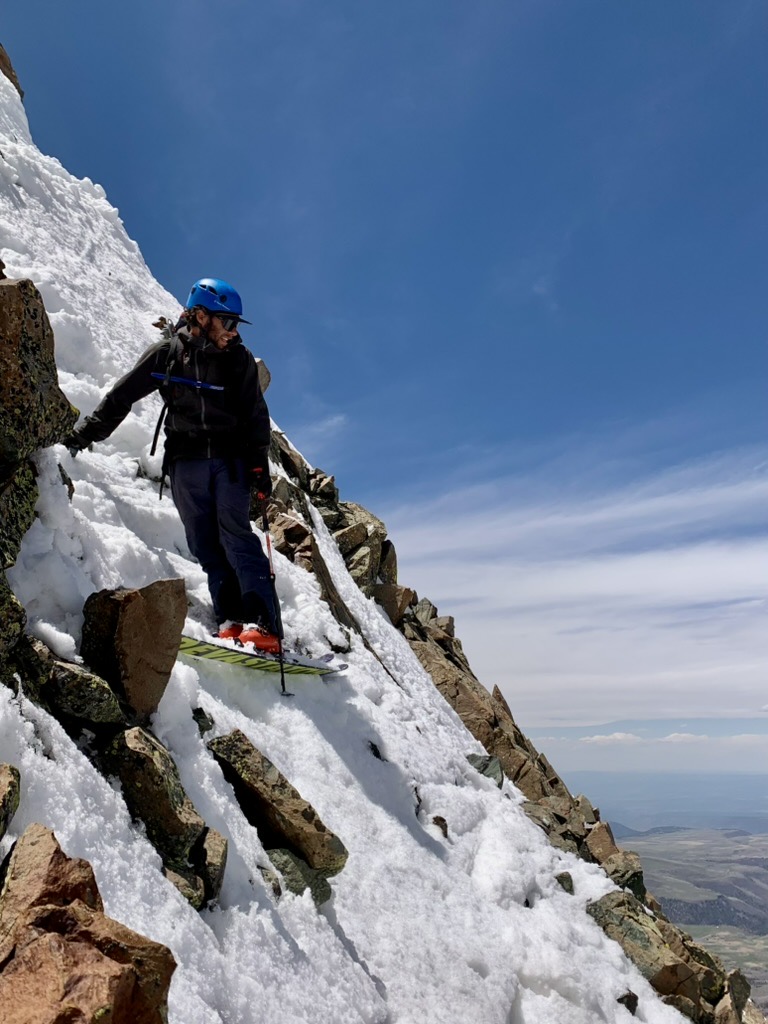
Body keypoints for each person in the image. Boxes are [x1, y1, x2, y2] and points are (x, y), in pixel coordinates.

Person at [63, 277, 279, 652]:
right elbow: (121, 396)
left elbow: (256, 417)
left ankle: (265, 626)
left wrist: (259, 467)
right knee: (205, 545)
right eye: (226, 322)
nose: (232, 332)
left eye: (235, 324)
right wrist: (82, 437)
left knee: (236, 537)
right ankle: (230, 620)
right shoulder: (166, 354)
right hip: (185, 464)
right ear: (199, 315)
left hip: (231, 462)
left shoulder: (238, 361)